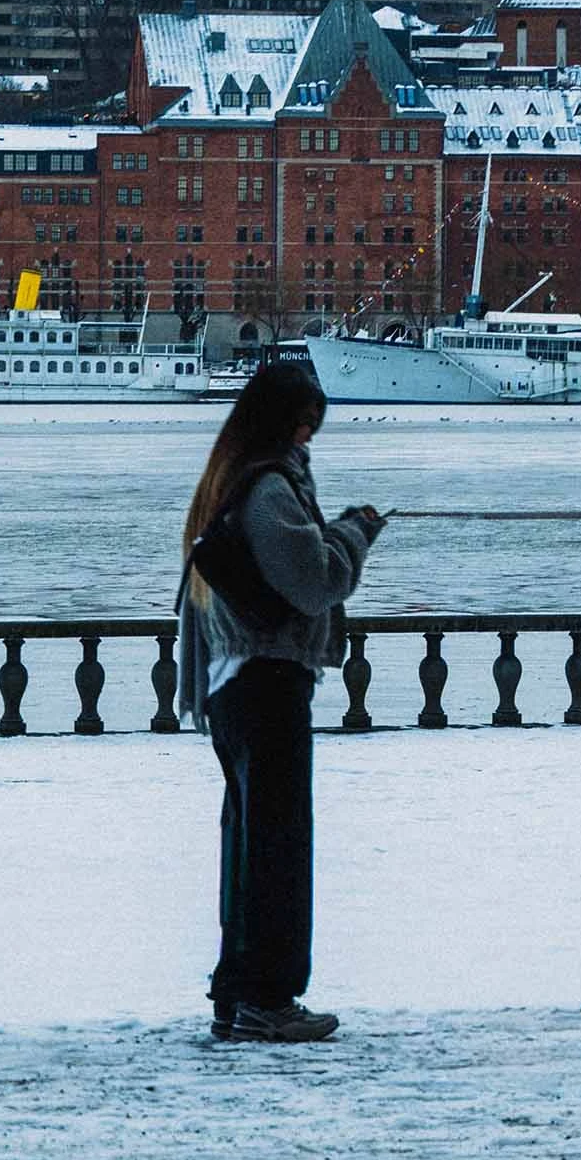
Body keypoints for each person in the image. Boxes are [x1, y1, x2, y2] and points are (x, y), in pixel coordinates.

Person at [178, 361, 384, 1043]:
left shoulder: (227, 480)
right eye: (306, 426)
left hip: (232, 686)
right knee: (278, 847)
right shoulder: (268, 488)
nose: (309, 440)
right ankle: (268, 996)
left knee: (247, 843)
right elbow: (313, 581)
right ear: (285, 423)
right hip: (266, 682)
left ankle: (237, 992)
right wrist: (355, 531)